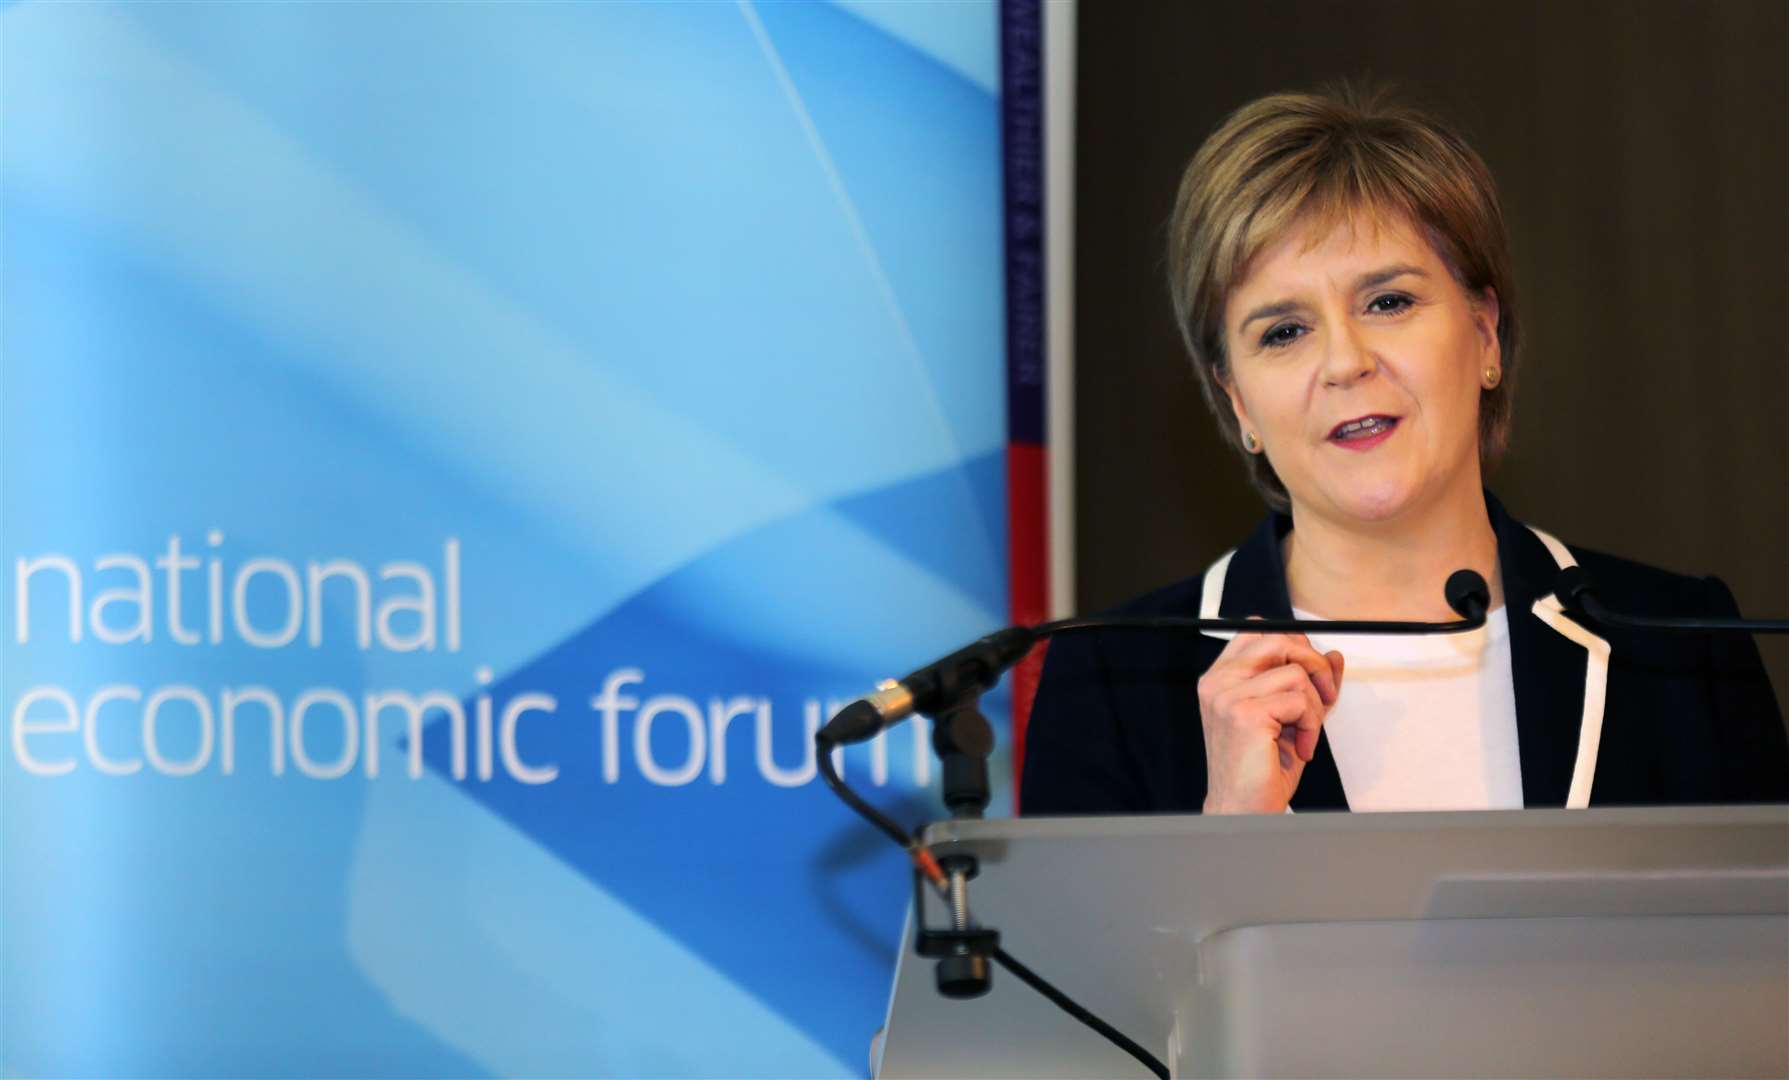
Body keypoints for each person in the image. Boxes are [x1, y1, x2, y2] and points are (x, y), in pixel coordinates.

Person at [1020, 87, 1787, 815]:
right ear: (1238, 402)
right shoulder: (1111, 684)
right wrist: (1230, 825)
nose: (1345, 361)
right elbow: (1074, 960)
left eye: (1387, 302)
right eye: (1283, 331)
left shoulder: (1682, 646)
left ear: (1485, 336)